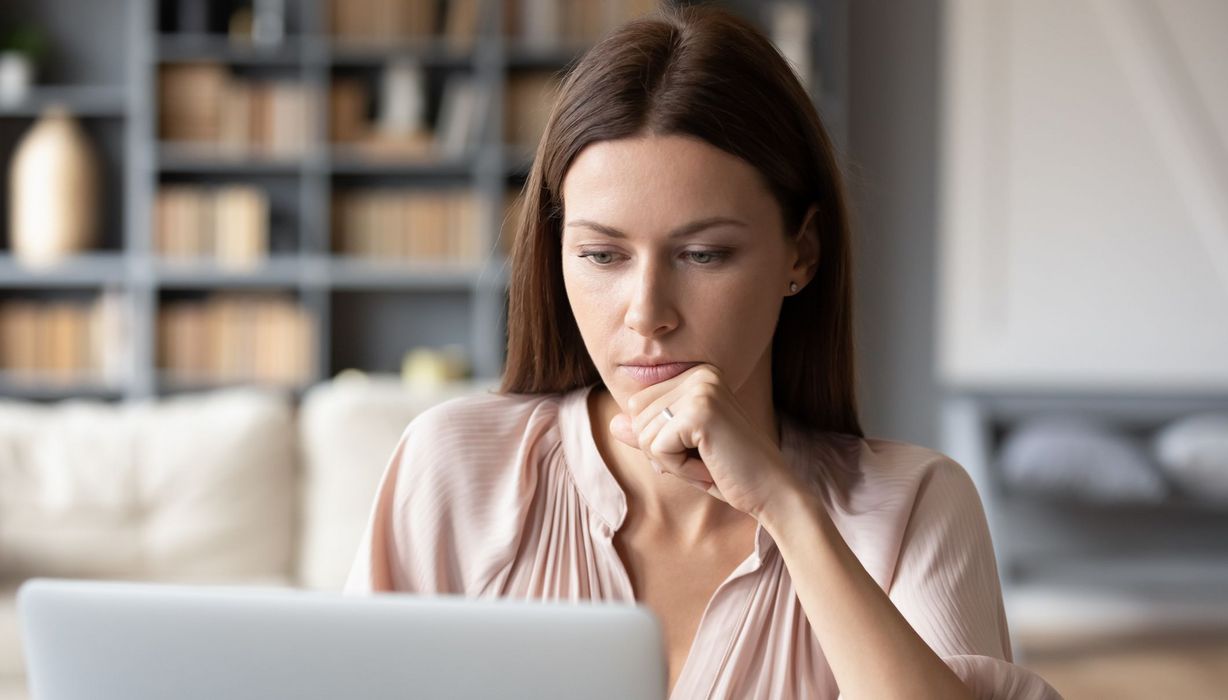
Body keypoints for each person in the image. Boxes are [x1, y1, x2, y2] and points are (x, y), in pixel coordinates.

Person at [345, 5, 1062, 699]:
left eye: (703, 254)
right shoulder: (455, 469)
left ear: (800, 254)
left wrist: (785, 505)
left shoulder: (915, 507)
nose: (647, 313)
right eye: (602, 254)